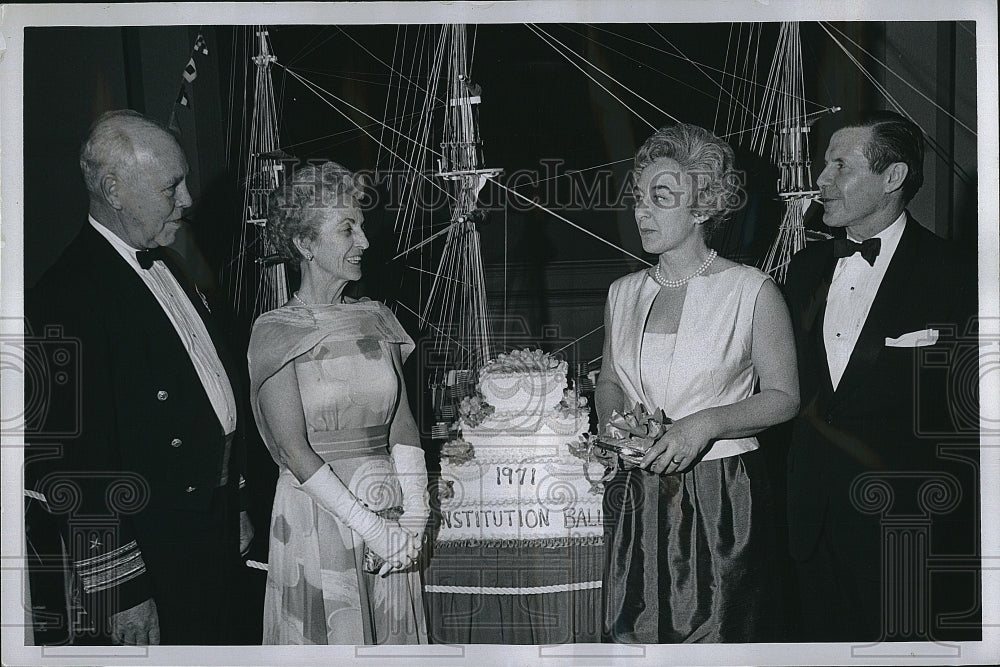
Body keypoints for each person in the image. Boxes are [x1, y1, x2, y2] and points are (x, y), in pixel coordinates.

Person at [25, 110, 253, 645]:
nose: (189, 198)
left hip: (207, 519)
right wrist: (119, 589)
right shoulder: (65, 295)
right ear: (114, 190)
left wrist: (232, 505)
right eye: (171, 185)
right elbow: (71, 461)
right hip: (152, 544)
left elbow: (209, 387)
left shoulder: (165, 260)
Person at [596, 123, 800, 643]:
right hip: (638, 491)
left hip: (723, 494)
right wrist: (614, 424)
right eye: (639, 198)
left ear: (703, 207)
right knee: (636, 632)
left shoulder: (751, 290)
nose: (642, 211)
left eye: (660, 198)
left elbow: (783, 398)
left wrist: (704, 424)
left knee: (723, 634)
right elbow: (612, 379)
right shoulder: (623, 292)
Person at [784, 110, 978, 641]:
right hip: (810, 536)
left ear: (892, 178)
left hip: (908, 541)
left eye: (839, 166)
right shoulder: (801, 273)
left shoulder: (959, 278)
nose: (820, 180)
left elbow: (973, 431)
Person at [248, 161, 429, 645]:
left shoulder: (377, 318)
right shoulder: (276, 331)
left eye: (362, 226)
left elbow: (402, 425)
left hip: (390, 516)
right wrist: (370, 528)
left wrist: (414, 516)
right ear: (305, 244)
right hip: (319, 517)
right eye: (347, 228)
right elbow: (291, 450)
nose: (364, 241)